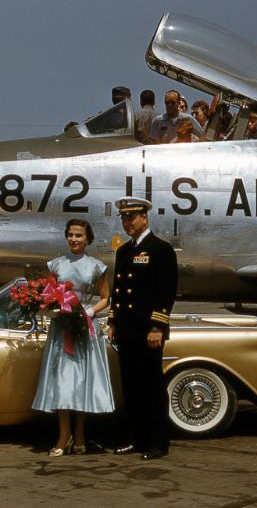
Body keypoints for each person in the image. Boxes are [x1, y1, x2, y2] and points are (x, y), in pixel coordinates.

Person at [31, 219, 114, 455]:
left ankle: (80, 433)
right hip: (62, 328)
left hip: (85, 327)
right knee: (63, 381)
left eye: (79, 235)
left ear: (88, 239)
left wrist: (89, 311)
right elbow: (48, 295)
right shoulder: (56, 265)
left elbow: (105, 297)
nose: (74, 239)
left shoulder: (97, 266)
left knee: (82, 381)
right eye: (70, 235)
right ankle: (63, 433)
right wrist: (52, 308)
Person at [107, 197, 178, 460]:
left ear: (144, 218)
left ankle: (158, 442)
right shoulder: (123, 252)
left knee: (151, 387)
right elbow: (117, 291)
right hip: (127, 330)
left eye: (132, 217)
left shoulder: (160, 249)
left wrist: (157, 326)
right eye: (124, 218)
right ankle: (137, 439)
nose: (127, 222)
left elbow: (166, 291)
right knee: (132, 387)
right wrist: (113, 321)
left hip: (148, 332)